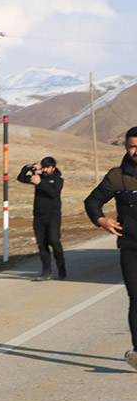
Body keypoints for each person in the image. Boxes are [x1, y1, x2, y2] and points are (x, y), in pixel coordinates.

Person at [85, 126, 137, 369]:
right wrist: (101, 219)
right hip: (130, 245)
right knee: (135, 298)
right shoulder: (117, 176)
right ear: (126, 147)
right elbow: (93, 200)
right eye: (133, 146)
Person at [20, 156, 66, 280]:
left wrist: (40, 182)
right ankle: (46, 271)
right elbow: (21, 178)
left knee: (54, 241)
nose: (45, 170)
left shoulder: (58, 180)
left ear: (53, 168)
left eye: (48, 167)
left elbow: (53, 193)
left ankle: (61, 267)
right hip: (39, 216)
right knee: (42, 244)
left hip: (53, 216)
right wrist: (27, 167)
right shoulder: (38, 178)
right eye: (43, 167)